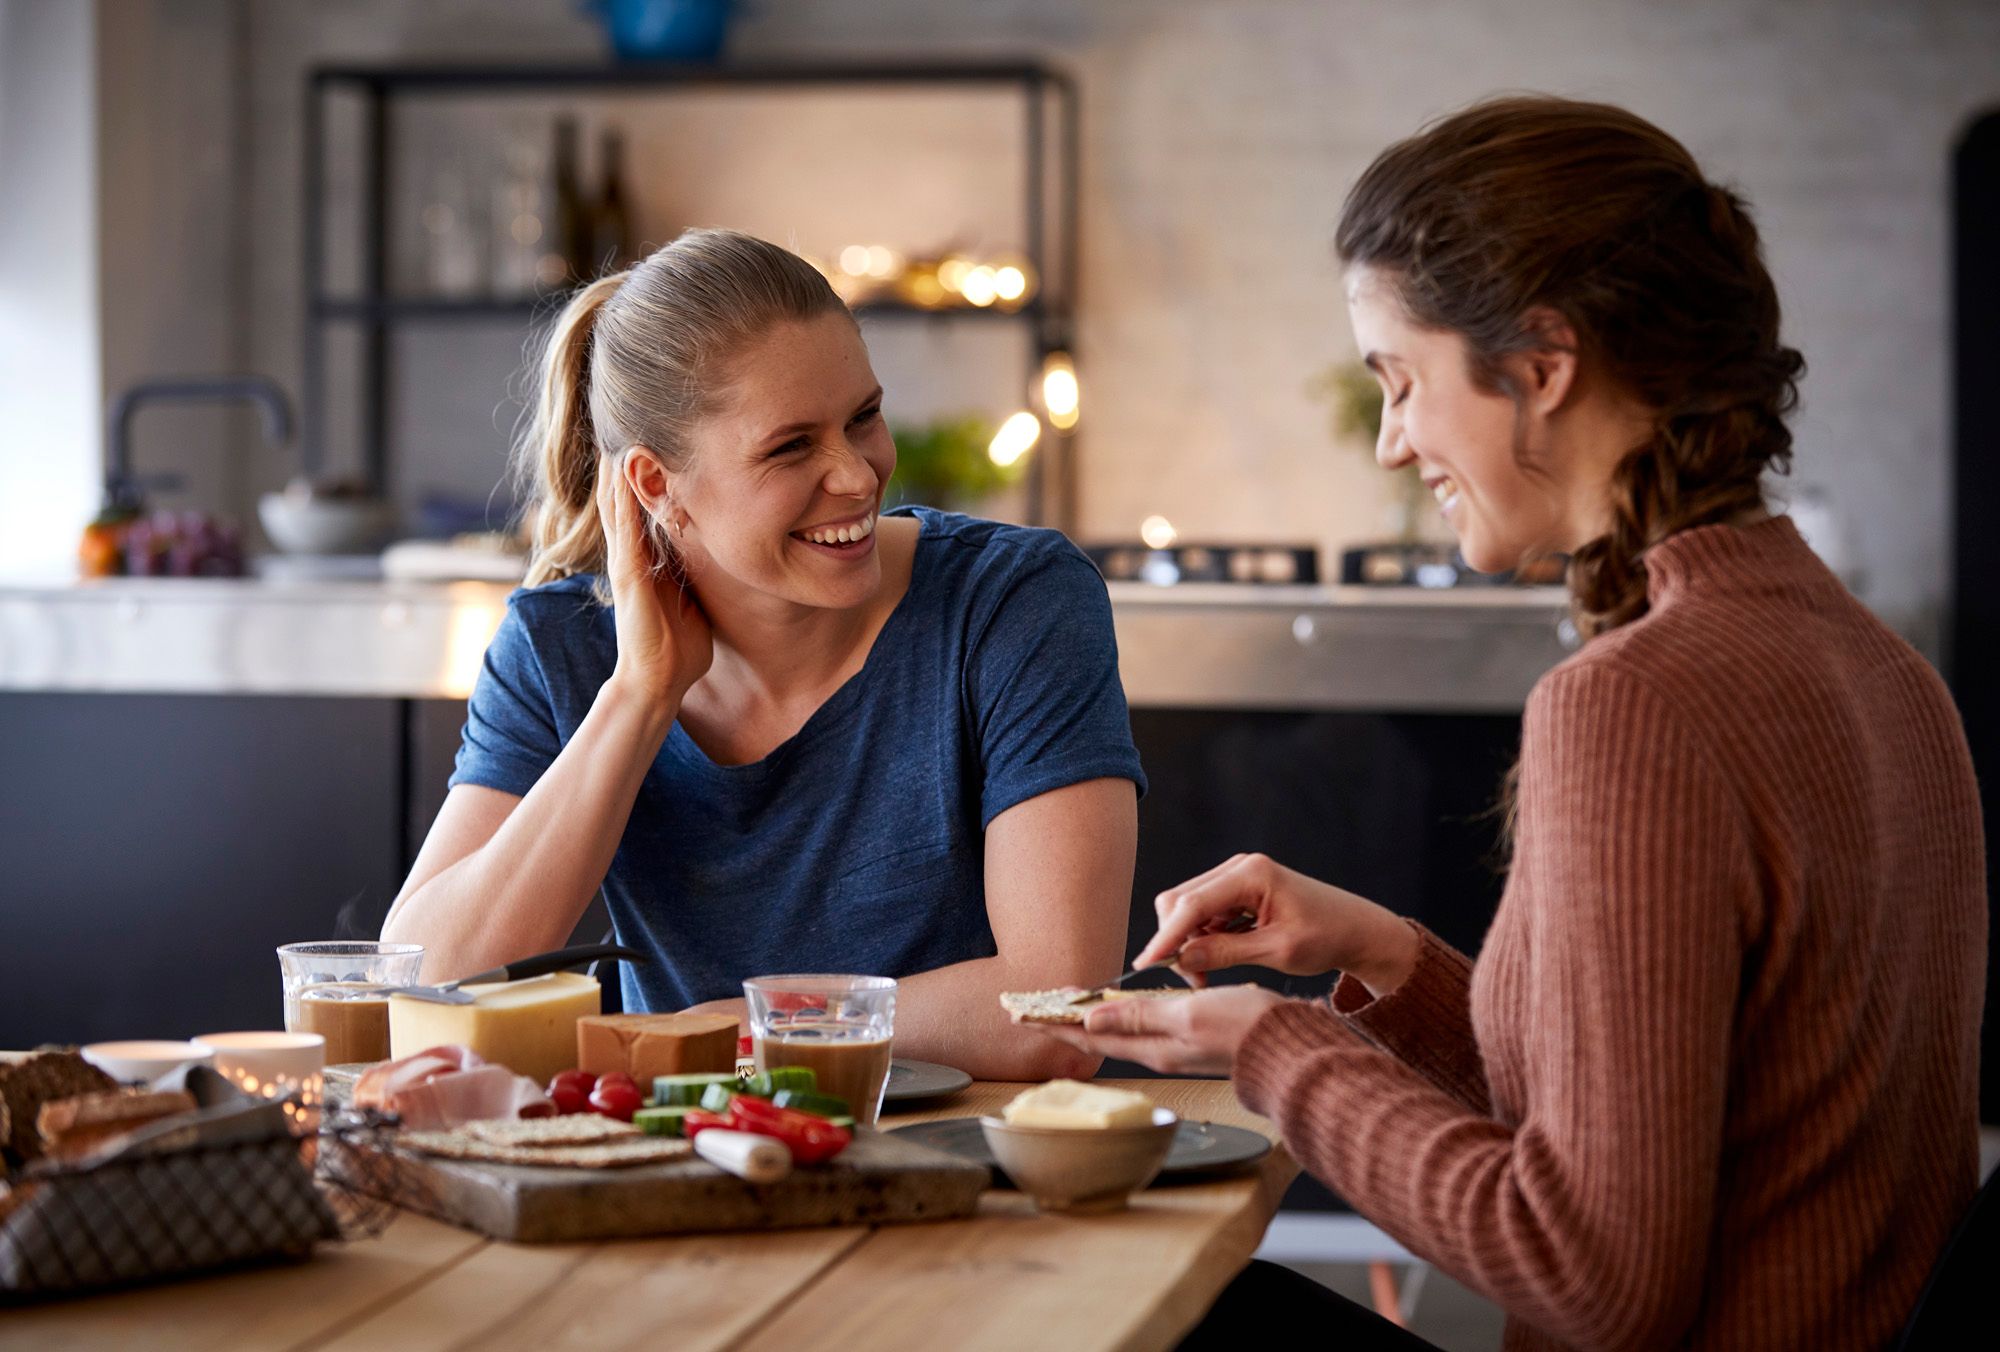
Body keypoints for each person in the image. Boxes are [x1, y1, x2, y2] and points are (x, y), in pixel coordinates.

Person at [1036, 97, 1986, 1350]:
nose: (1390, 443)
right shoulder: (1883, 666)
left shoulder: (1635, 703)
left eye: (1400, 380)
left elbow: (1590, 1270)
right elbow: (1640, 1128)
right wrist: (1386, 954)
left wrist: (1274, 1046)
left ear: (1541, 365)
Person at [383, 228, 1144, 1081]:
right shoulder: (560, 647)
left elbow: (1057, 1011)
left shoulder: (1013, 601)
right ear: (655, 485)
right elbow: (425, 984)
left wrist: (741, 1025)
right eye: (791, 447)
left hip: (970, 1150)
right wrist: (639, 698)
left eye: (864, 418)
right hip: (678, 1150)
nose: (858, 476)